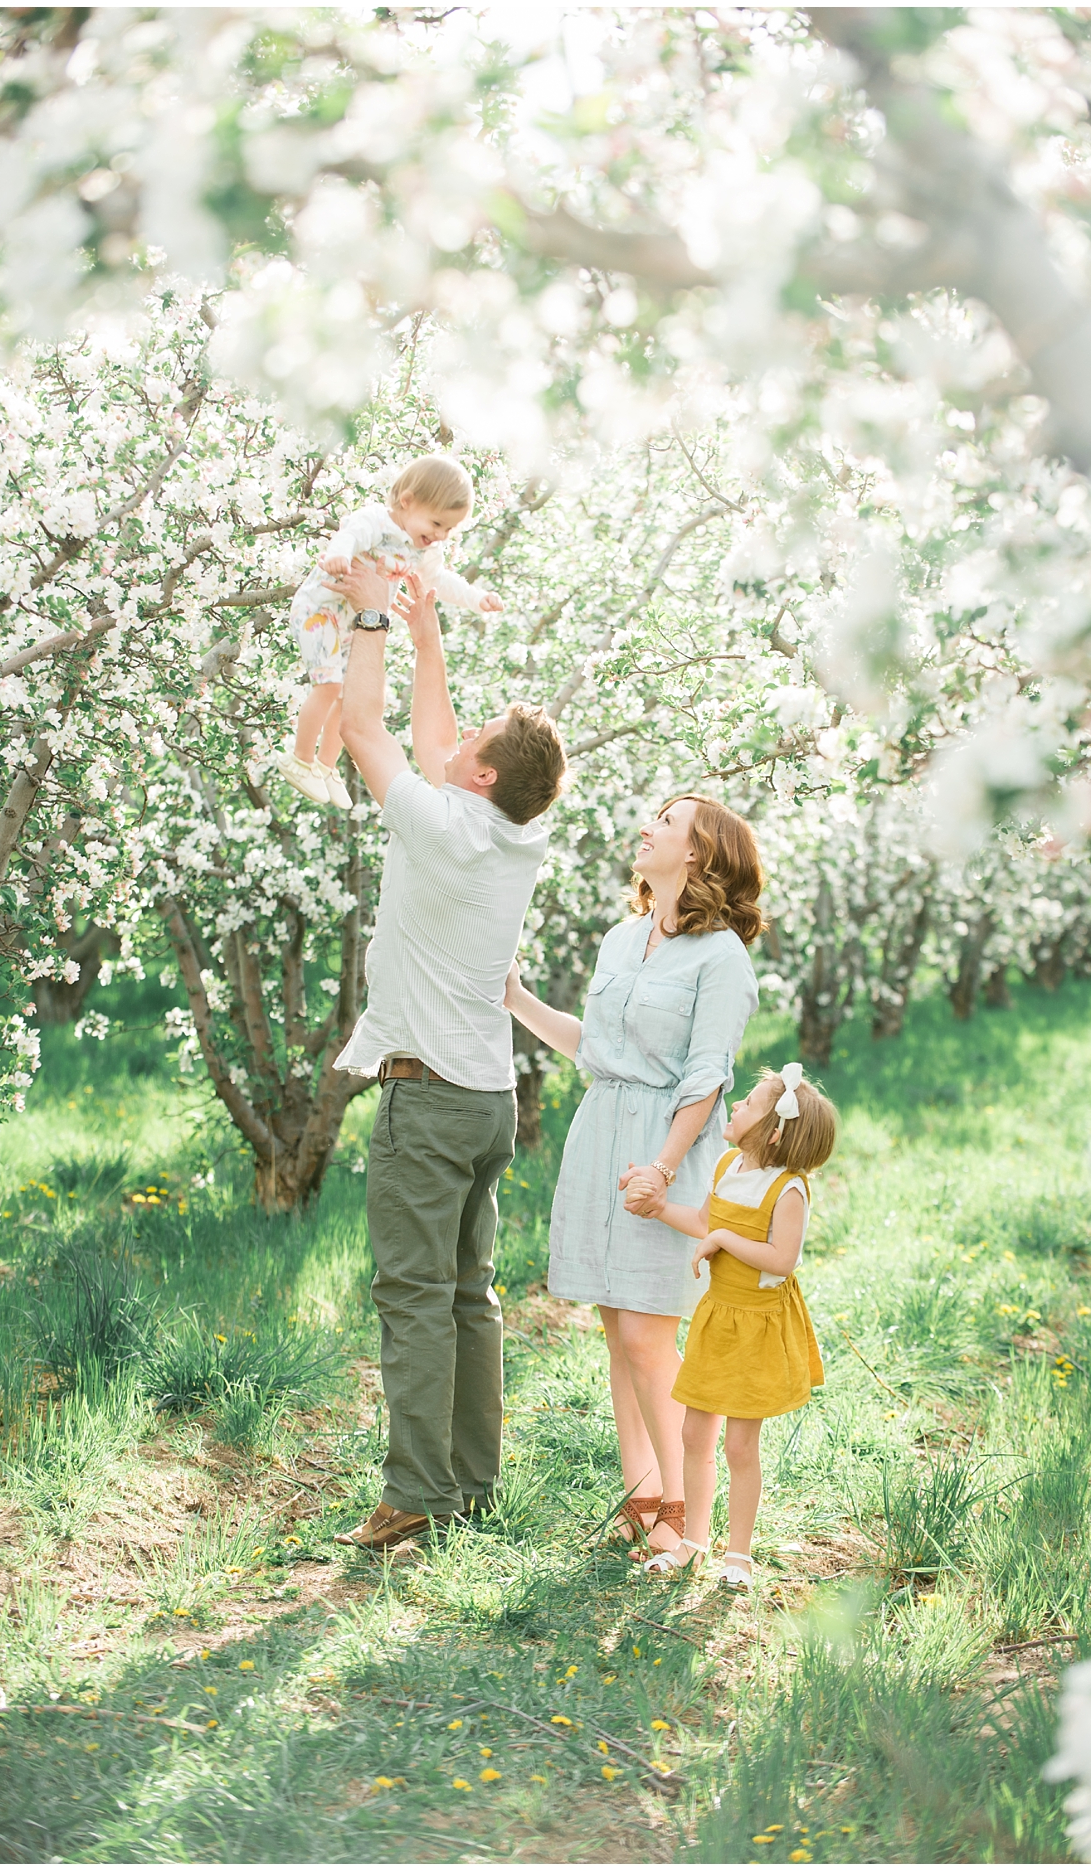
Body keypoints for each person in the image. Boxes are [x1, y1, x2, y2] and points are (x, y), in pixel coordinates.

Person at [327, 562, 565, 1552]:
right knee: (470, 1293)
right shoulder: (518, 831)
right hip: (490, 1100)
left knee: (414, 1295)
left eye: (468, 746)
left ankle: (415, 1493)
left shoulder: (442, 828)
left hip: (428, 1106)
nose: (454, 742)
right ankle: (470, 1481)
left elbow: (364, 730)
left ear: (478, 776)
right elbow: (434, 739)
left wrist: (374, 613)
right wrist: (429, 636)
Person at [503, 795, 763, 1564]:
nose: (647, 825)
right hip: (602, 1134)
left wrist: (665, 1167)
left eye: (667, 820)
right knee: (619, 1328)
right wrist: (517, 1000)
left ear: (698, 853)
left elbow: (707, 1077)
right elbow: (597, 1048)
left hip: (665, 1146)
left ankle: (687, 1513)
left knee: (652, 1331)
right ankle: (642, 1491)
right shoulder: (621, 938)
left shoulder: (722, 959)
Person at [623, 1063, 834, 1590]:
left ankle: (737, 1555)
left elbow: (781, 1259)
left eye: (748, 1105)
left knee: (740, 1446)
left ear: (775, 1129)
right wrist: (659, 1206)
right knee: (696, 1432)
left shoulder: (788, 1191)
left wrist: (724, 1243)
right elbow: (703, 1223)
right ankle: (695, 1541)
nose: (735, 1106)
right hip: (718, 1320)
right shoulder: (727, 1167)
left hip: (758, 1328)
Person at [277, 454, 504, 810]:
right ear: (407, 501)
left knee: (348, 695)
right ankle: (301, 759)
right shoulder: (376, 522)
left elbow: (438, 581)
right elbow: (349, 536)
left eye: (449, 530)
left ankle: (326, 765)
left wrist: (477, 599)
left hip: (353, 622)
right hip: (320, 611)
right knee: (330, 685)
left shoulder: (422, 548)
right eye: (437, 523)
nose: (440, 535)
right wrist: (339, 554)